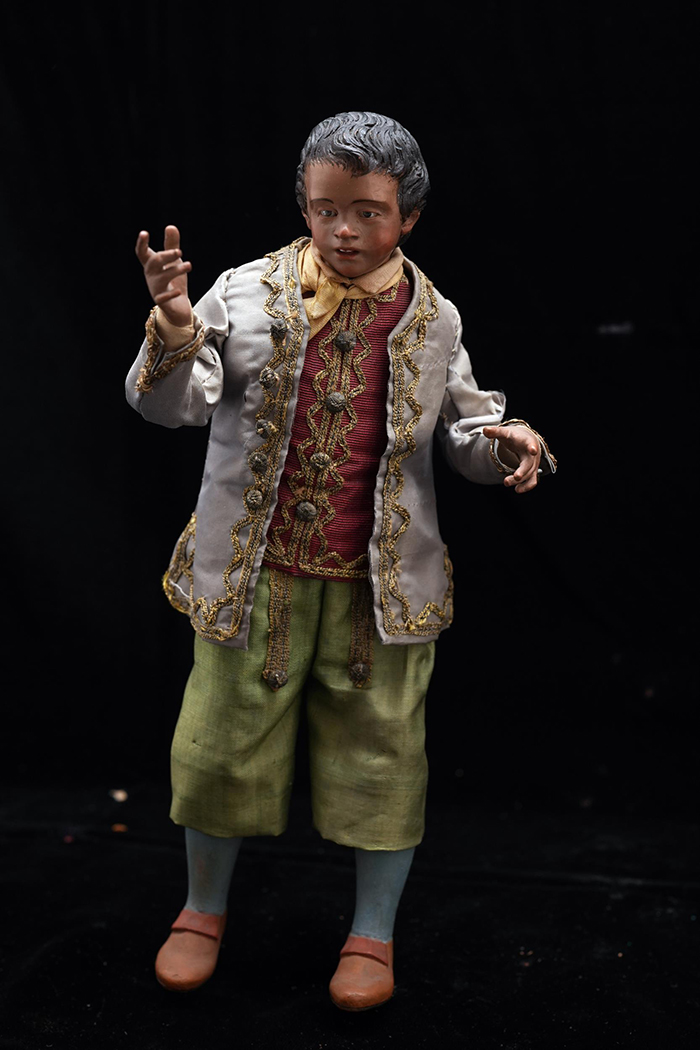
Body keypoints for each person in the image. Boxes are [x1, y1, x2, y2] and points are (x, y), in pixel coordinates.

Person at [127, 111, 556, 1011]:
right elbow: (176, 407)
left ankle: (372, 932)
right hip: (253, 576)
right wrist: (173, 322)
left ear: (409, 217)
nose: (345, 231)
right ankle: (202, 909)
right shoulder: (246, 292)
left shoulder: (434, 318)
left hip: (378, 588)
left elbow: (463, 430)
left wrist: (505, 440)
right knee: (217, 746)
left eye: (368, 212)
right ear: (304, 206)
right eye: (326, 209)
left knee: (383, 759)